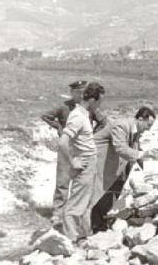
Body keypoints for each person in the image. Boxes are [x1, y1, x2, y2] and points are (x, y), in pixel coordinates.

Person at [41, 80, 107, 225]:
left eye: (82, 92)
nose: (80, 94)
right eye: (77, 92)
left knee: (81, 184)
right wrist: (58, 127)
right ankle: (58, 213)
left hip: (82, 150)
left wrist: (92, 136)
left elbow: (103, 122)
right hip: (67, 148)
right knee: (63, 181)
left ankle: (73, 215)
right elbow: (45, 116)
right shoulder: (64, 107)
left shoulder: (90, 109)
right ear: (71, 93)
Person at [90, 106, 157, 231]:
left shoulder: (136, 131)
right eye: (148, 125)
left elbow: (135, 151)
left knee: (113, 193)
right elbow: (120, 148)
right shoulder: (122, 125)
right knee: (100, 194)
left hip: (114, 165)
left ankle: (103, 223)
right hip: (99, 162)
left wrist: (150, 169)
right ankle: (94, 226)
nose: (148, 129)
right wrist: (142, 155)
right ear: (141, 119)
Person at [58, 82, 104, 243]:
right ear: (91, 100)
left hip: (90, 161)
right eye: (99, 102)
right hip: (84, 162)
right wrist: (72, 163)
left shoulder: (83, 114)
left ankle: (84, 236)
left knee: (85, 203)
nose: (99, 105)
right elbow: (63, 142)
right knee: (75, 205)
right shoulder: (78, 116)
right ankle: (70, 241)